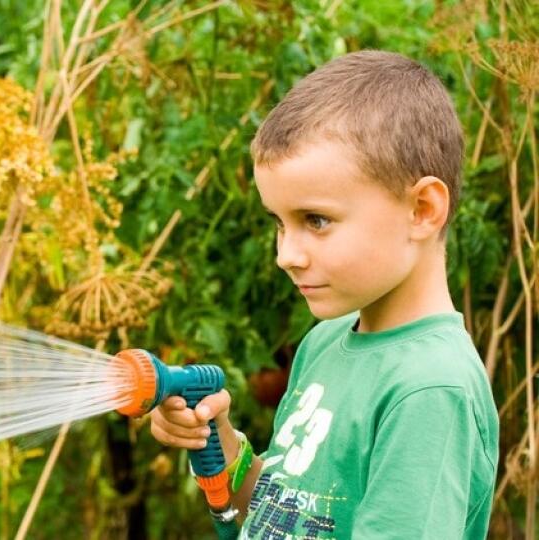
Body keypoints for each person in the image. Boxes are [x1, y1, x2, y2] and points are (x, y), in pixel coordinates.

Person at [151, 50, 500, 539]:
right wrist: (220, 442)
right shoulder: (325, 342)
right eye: (280, 223)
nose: (286, 255)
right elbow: (284, 518)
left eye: (316, 220)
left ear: (422, 209)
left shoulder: (429, 390)